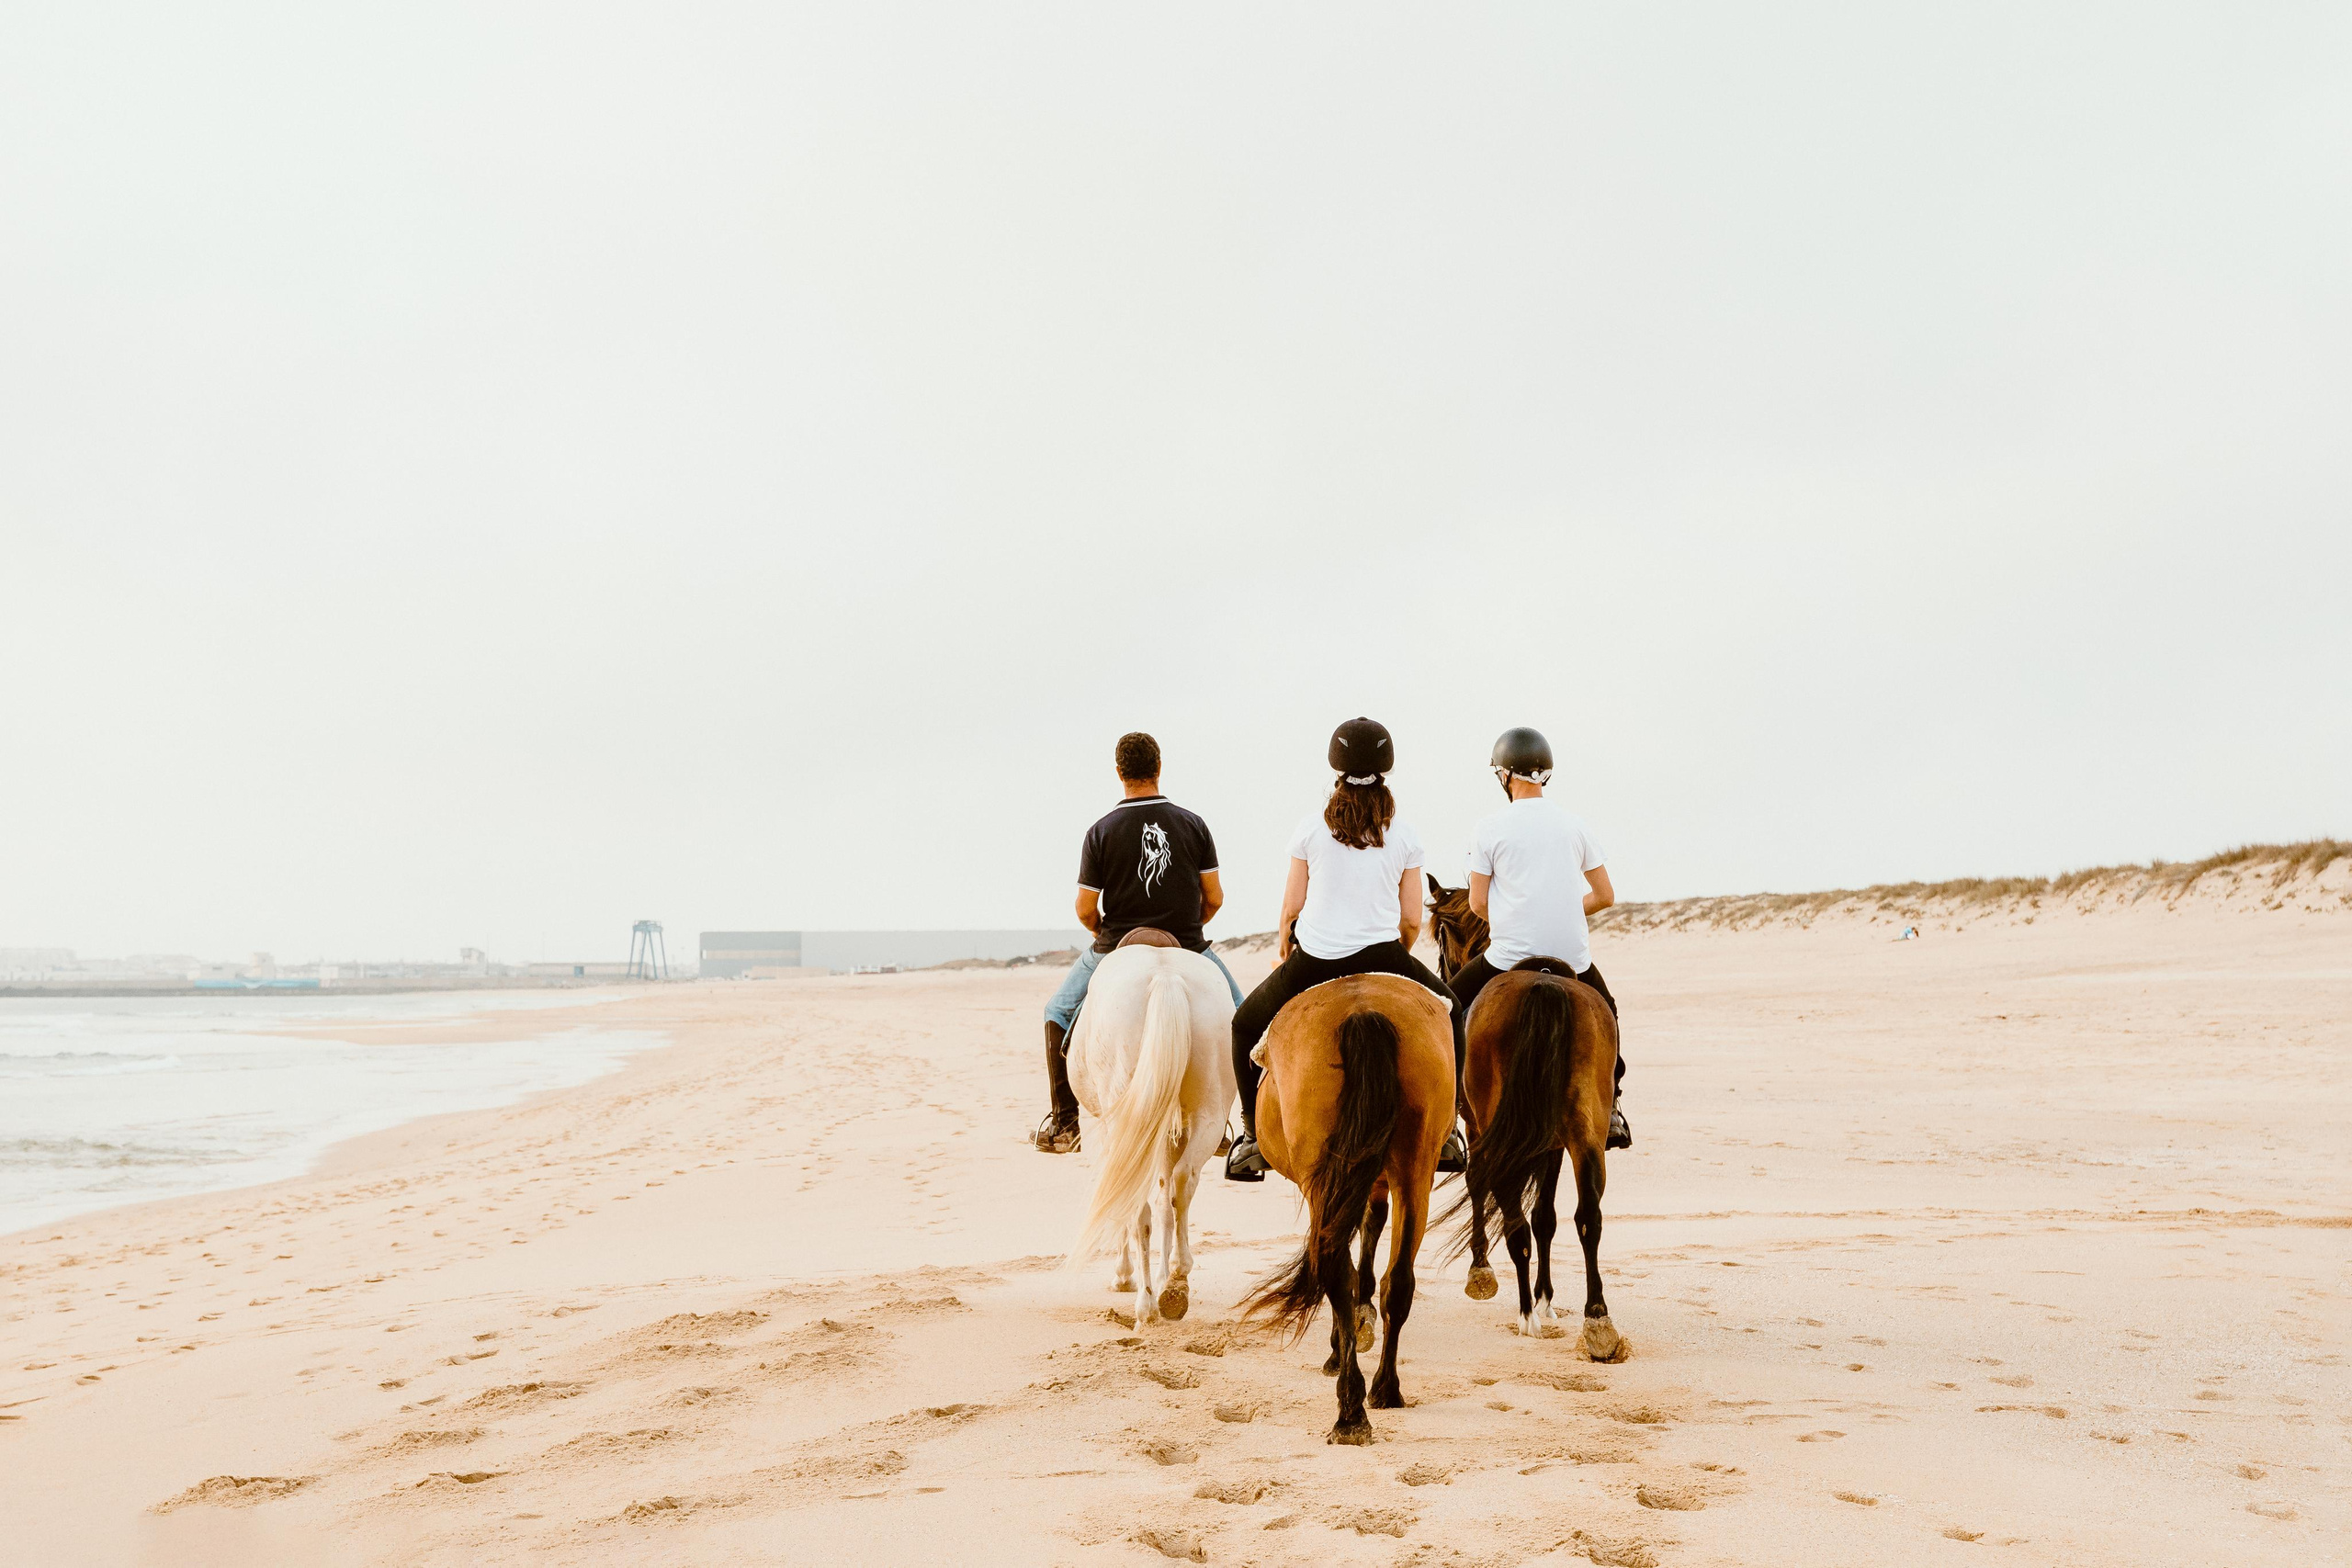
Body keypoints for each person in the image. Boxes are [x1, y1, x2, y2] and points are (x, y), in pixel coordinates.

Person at [1224, 717, 1460, 1181]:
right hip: (1384, 955)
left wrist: (1288, 953)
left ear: (1337, 771)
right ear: (1385, 773)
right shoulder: (1405, 835)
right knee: (1454, 1012)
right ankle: (1449, 1132)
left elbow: (1291, 911)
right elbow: (1411, 918)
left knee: (1243, 1025)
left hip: (1314, 960)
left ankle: (1252, 1138)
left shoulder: (1310, 829)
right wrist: (1398, 957)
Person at [1034, 731, 1244, 1154]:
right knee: (1244, 1017)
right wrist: (1189, 927)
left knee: (1056, 1010)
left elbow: (1085, 908)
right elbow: (1216, 897)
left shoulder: (1100, 832)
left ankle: (1065, 1124)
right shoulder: (1193, 824)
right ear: (1159, 768)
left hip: (1117, 944)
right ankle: (1234, 1126)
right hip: (1186, 942)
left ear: (1119, 773)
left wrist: (1100, 935)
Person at [1445, 726, 1630, 1149]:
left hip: (1508, 955)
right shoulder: (1576, 825)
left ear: (1506, 776)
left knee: (1447, 1008)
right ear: (1544, 774)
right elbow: (1605, 896)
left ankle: (1449, 1117)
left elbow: (1476, 904)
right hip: (1573, 958)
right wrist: (1563, 910)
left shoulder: (1489, 827)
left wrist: (1516, 914)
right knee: (1610, 1014)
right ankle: (1614, 1107)